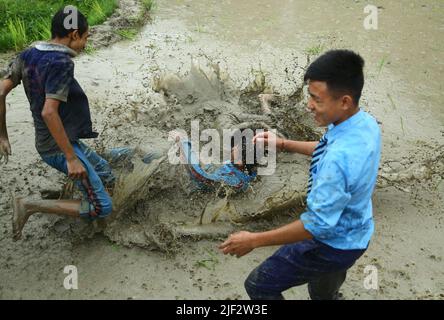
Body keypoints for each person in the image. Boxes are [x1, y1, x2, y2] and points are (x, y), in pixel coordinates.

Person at [219, 50, 382, 300]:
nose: (309, 105)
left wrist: (254, 239)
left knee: (259, 286)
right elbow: (327, 147)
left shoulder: (339, 162)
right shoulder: (364, 124)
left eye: (317, 99)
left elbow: (315, 226)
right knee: (323, 291)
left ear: (345, 101)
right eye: (310, 96)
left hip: (330, 245)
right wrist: (284, 144)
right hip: (357, 233)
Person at [0, 8, 116, 240]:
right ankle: (30, 205)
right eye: (85, 37)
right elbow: (49, 112)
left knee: (106, 173)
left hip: (57, 140)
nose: (85, 44)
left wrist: (2, 135)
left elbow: (0, 91)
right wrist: (71, 159)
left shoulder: (29, 52)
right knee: (102, 207)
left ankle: (80, 194)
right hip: (58, 148)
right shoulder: (61, 62)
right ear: (74, 34)